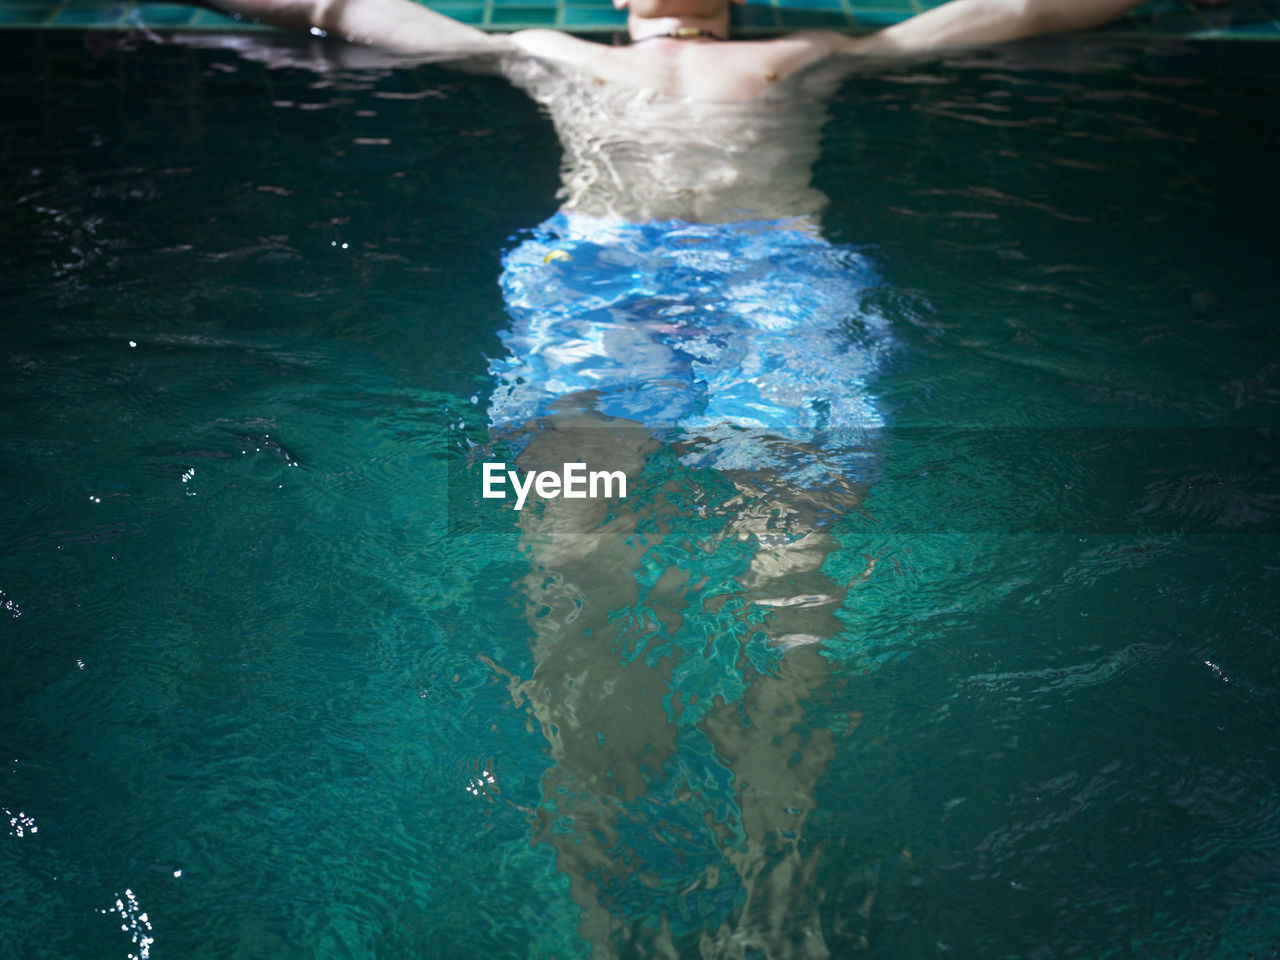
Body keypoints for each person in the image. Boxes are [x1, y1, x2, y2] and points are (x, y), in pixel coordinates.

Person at [189, 1, 1183, 955]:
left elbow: (1007, 12)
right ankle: (588, 874)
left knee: (788, 558)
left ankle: (775, 866)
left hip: (773, 279)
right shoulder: (552, 52)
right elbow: (345, 10)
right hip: (599, 277)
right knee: (575, 553)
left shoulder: (802, 52)